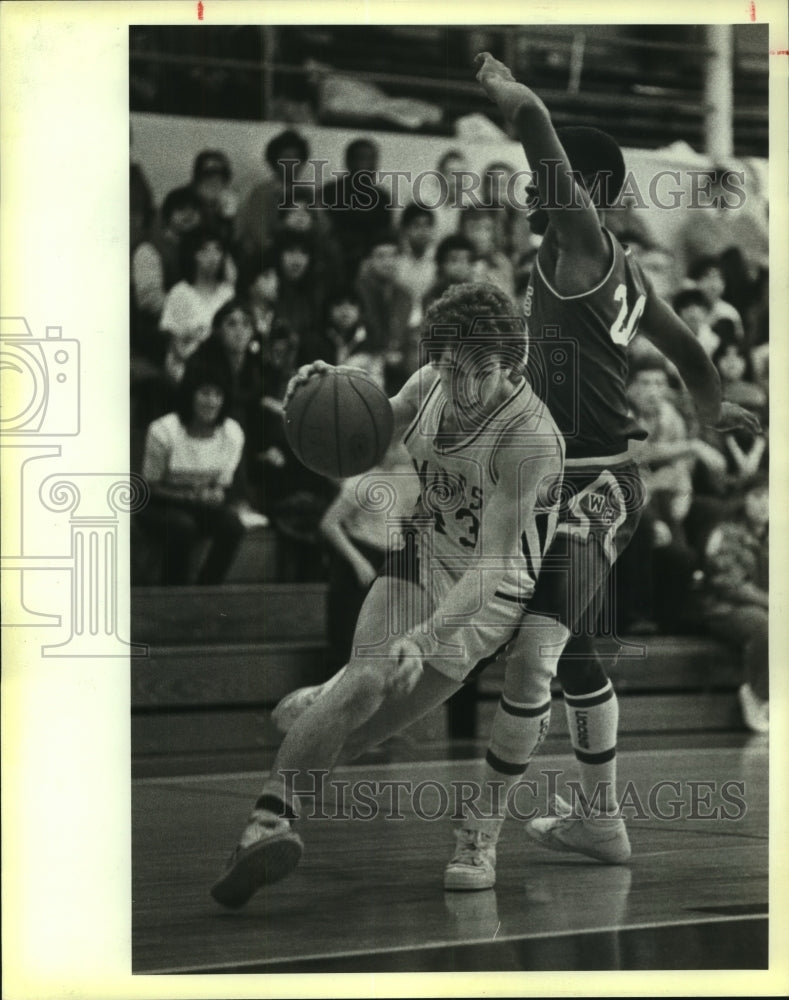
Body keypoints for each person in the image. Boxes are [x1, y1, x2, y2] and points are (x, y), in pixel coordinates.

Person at [210, 281, 568, 907]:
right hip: (419, 554)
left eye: (469, 374)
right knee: (368, 679)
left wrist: (427, 639)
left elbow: (490, 565)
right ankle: (265, 824)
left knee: (356, 734)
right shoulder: (432, 379)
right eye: (446, 365)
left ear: (509, 370)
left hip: (490, 594)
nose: (451, 384)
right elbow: (363, 441)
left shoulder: (529, 438)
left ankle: (325, 701)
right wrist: (318, 400)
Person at [137, 361, 248, 585]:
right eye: (205, 393)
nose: (212, 402)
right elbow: (150, 486)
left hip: (201, 505)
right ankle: (174, 591)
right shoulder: (163, 431)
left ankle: (207, 589)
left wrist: (215, 494)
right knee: (182, 526)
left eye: (218, 394)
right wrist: (187, 497)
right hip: (161, 503)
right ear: (190, 395)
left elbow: (221, 486)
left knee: (233, 525)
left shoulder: (232, 433)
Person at [702, 475, 769, 733]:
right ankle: (757, 696)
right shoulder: (726, 532)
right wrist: (772, 603)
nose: (764, 504)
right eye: (757, 496)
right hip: (724, 608)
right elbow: (727, 583)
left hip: (764, 607)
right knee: (765, 627)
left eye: (770, 497)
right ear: (744, 499)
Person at [159, 226, 235, 385]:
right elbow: (174, 343)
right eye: (205, 250)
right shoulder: (180, 293)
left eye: (218, 250)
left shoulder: (227, 293)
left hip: (222, 370)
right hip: (186, 371)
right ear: (193, 254)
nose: (213, 257)